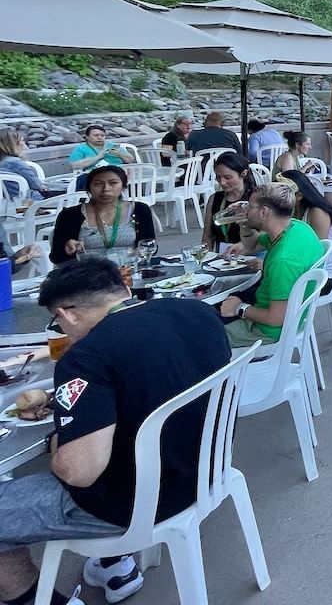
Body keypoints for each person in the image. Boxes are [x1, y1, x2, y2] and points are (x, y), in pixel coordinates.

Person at [0, 258, 231, 605]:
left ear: (67, 315)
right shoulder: (196, 313)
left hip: (140, 502)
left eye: (57, 323)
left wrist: (57, 440)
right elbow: (152, 381)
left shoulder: (87, 357)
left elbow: (78, 472)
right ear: (122, 290)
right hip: (207, 472)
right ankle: (114, 565)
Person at [221, 182, 325, 347]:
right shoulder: (297, 227)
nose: (246, 208)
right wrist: (244, 221)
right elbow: (251, 246)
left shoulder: (282, 260)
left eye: (250, 206)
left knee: (200, 336)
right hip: (291, 315)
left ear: (263, 212)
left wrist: (240, 308)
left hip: (268, 331)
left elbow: (276, 318)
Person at [51, 165, 156, 266]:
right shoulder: (70, 215)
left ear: (123, 187)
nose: (106, 189)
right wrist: (68, 248)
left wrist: (140, 252)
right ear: (89, 188)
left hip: (129, 270)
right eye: (98, 184)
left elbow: (150, 246)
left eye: (113, 183)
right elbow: (56, 257)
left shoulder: (140, 210)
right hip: (87, 274)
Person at [279, 169, 332, 288]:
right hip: (302, 269)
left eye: (281, 194)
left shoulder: (317, 213)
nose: (275, 198)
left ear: (299, 195)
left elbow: (316, 253)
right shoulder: (291, 210)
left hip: (323, 275)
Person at [202, 152, 258, 253]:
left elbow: (267, 233)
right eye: (218, 177)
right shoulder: (215, 198)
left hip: (251, 255)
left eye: (227, 177)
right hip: (222, 258)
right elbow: (207, 235)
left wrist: (244, 244)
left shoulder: (256, 198)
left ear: (243, 174)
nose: (222, 182)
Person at [0, 128, 58, 198]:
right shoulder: (15, 163)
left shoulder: (3, 162)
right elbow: (37, 185)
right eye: (21, 140)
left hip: (7, 203)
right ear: (13, 144)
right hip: (29, 202)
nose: (24, 143)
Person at [68, 124, 135, 173]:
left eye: (102, 135)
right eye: (96, 135)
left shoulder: (112, 145)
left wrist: (120, 154)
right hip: (95, 175)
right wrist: (98, 157)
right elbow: (74, 166)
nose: (100, 137)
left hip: (119, 173)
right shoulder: (81, 148)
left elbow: (130, 160)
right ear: (87, 137)